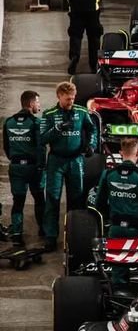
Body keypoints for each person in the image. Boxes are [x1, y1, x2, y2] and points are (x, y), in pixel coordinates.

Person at [41, 81, 99, 252]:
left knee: (77, 199)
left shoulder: (81, 112)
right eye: (67, 99)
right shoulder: (49, 114)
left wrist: (91, 145)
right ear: (59, 96)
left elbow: (92, 129)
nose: (71, 102)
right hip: (56, 161)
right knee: (52, 198)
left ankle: (74, 236)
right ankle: (50, 237)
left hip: (76, 160)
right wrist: (57, 128)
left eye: (73, 98)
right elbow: (42, 139)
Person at [89, 136, 138, 237]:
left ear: (120, 153)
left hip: (115, 229)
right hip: (136, 231)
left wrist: (111, 216)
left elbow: (99, 204)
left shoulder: (107, 174)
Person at [3, 88, 46, 243]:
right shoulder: (36, 123)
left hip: (16, 168)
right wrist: (41, 165)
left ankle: (17, 234)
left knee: (18, 201)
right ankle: (43, 230)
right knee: (39, 199)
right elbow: (41, 147)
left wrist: (15, 159)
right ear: (31, 103)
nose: (39, 105)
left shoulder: (8, 122)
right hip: (33, 168)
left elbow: (6, 147)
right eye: (38, 102)